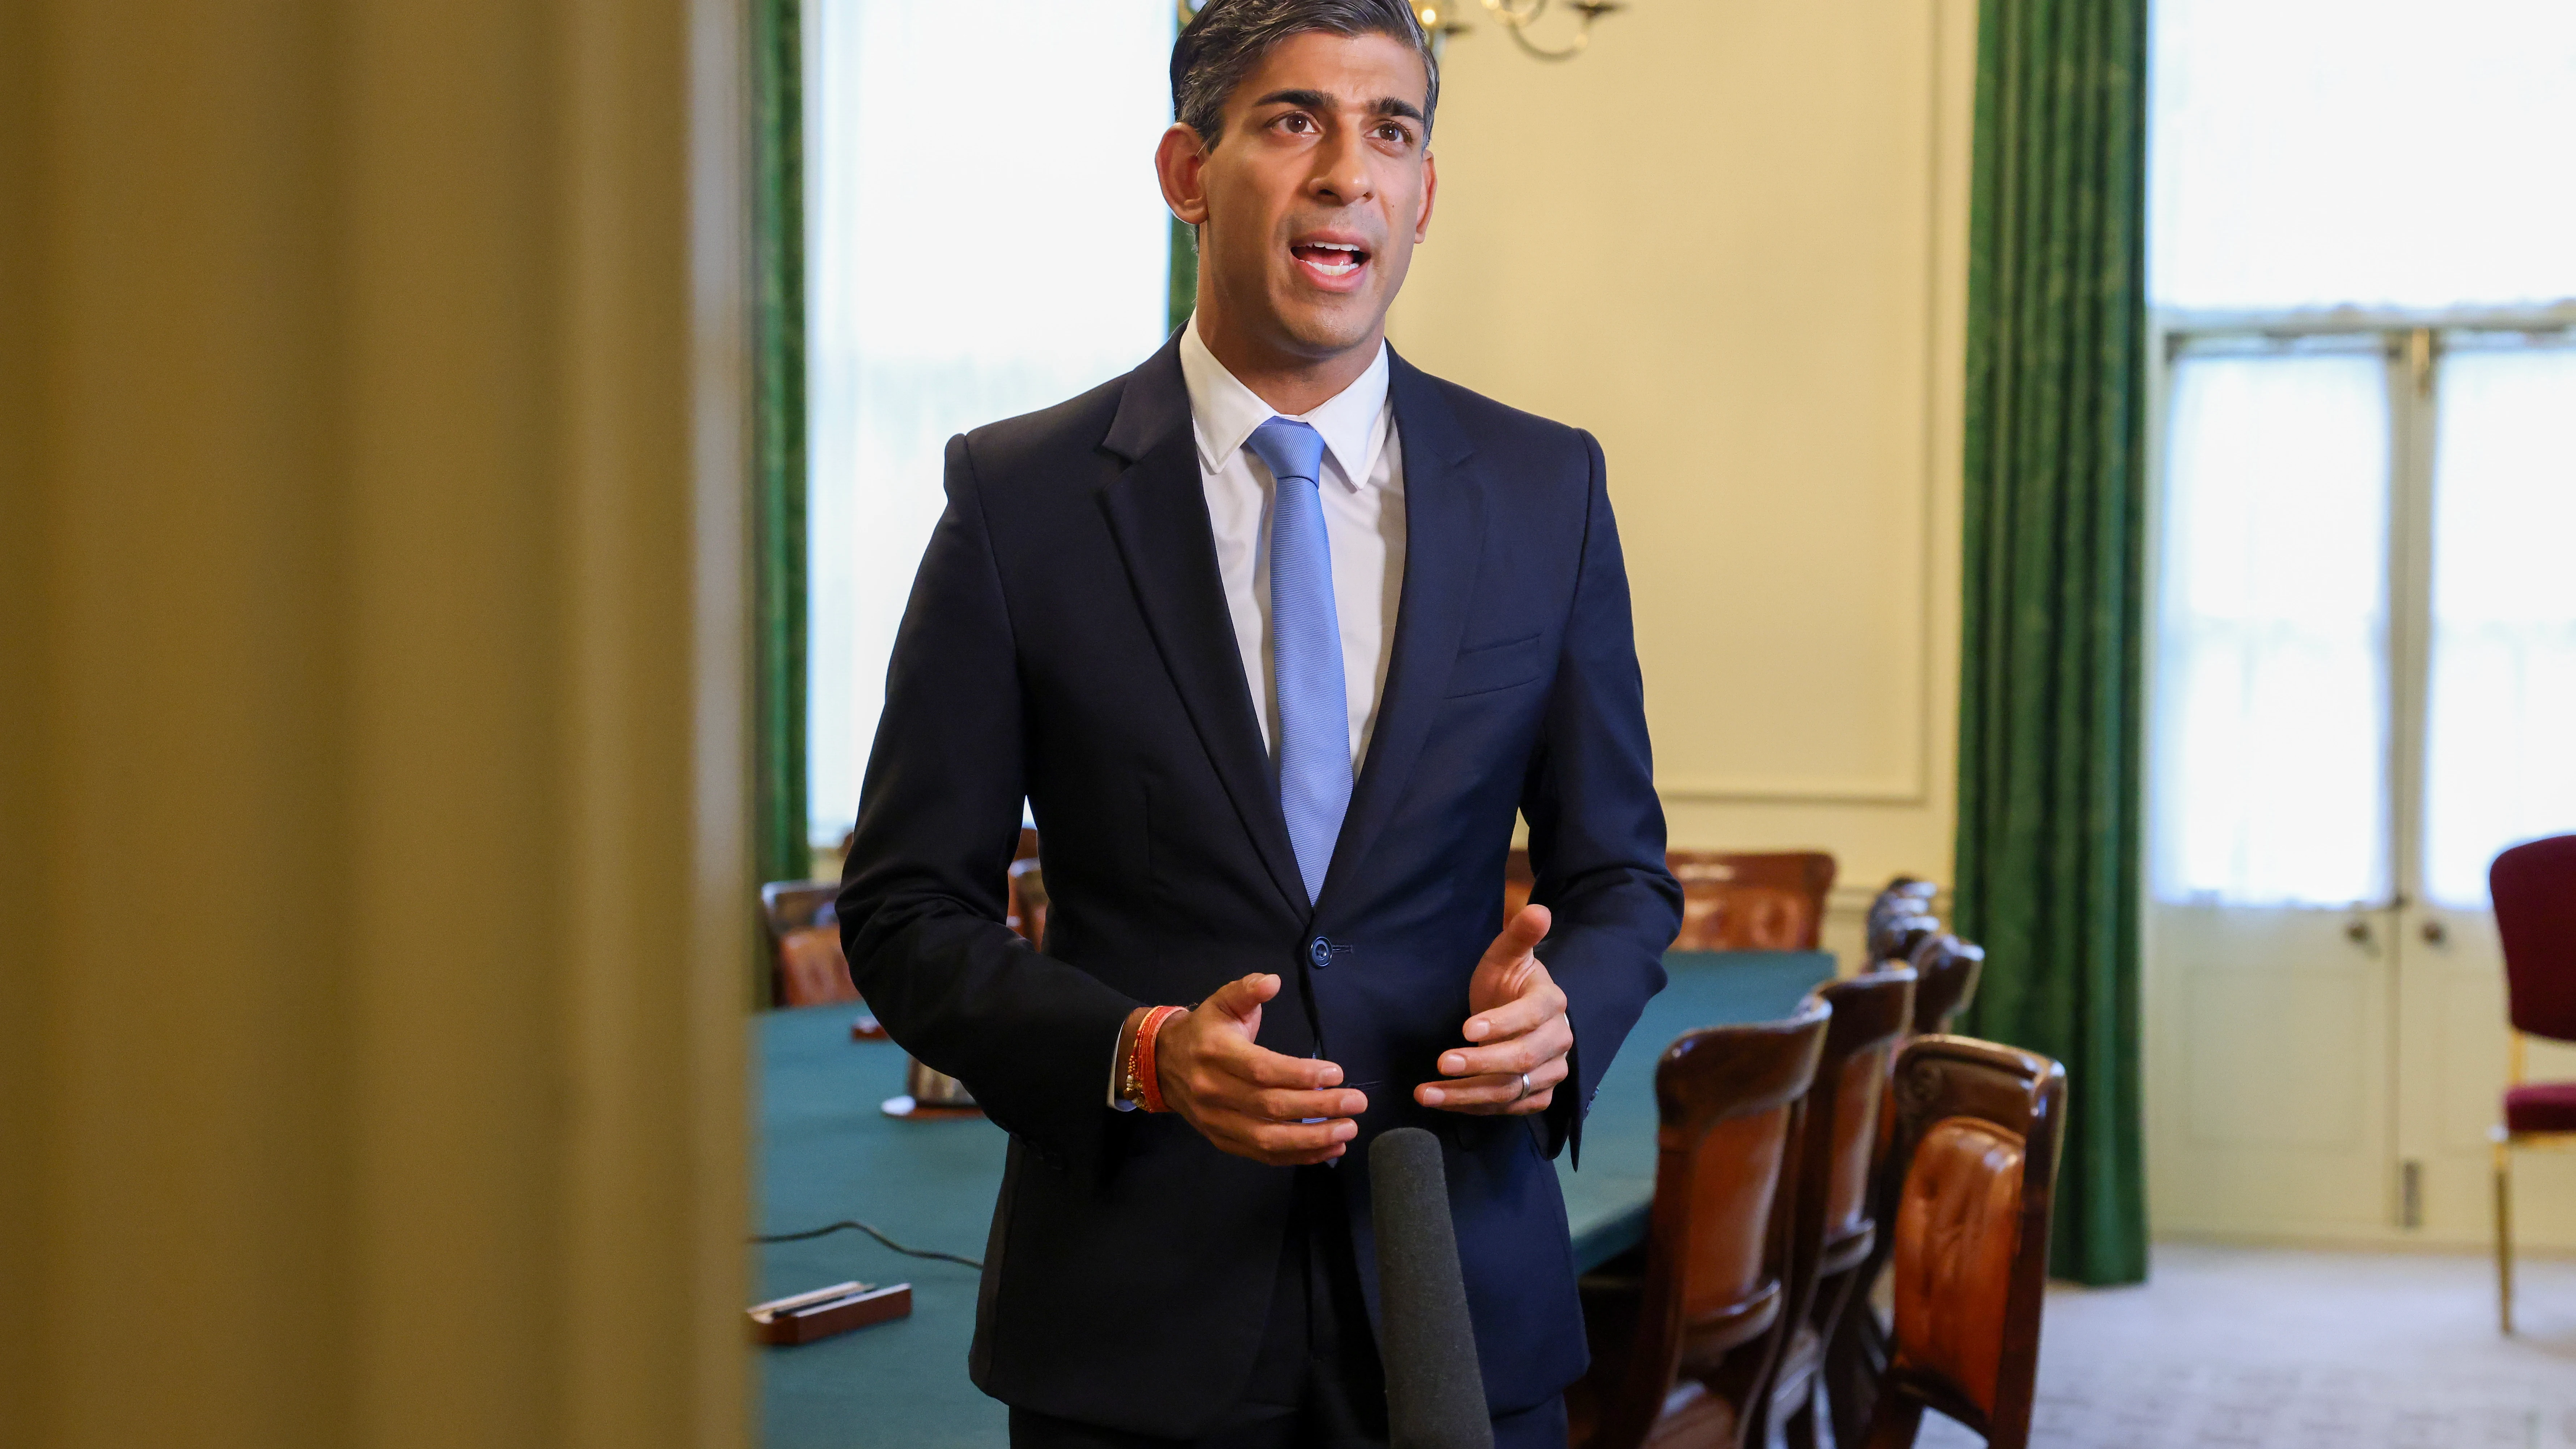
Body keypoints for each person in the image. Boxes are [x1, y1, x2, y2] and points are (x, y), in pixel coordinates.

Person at [837, 1, 1680, 1443]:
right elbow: (910, 907)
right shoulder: (1015, 502)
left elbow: (1621, 877)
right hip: (1128, 1320)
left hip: (1455, 1289)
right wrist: (1143, 1050)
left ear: (1425, 196)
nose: (1349, 170)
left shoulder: (1549, 492)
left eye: (1392, 131)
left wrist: (1563, 1017)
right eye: (1295, 120)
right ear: (1186, 169)